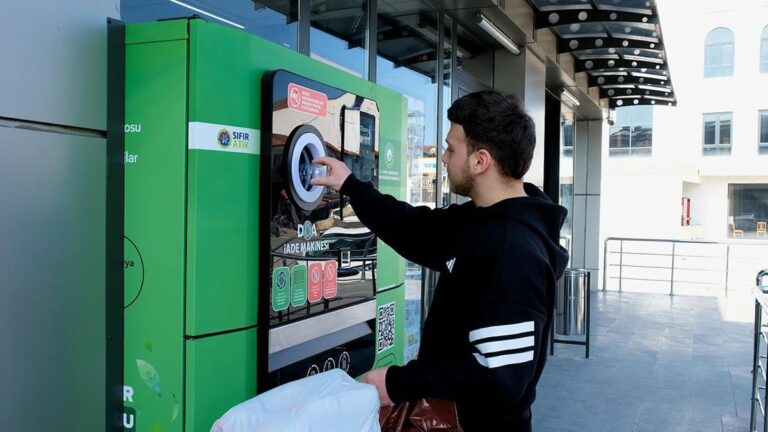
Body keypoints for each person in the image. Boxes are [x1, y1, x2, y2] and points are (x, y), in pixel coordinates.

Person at [311, 90, 568, 431]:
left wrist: (397, 383)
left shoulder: (513, 251)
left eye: (451, 148)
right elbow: (414, 229)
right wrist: (352, 185)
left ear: (480, 161)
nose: (443, 158)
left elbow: (498, 379)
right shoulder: (479, 220)